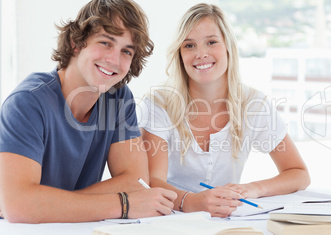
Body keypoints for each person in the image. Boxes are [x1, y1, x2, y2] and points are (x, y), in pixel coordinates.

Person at [0, 0, 177, 223]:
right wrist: (124, 204)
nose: (114, 60)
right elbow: (19, 207)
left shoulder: (118, 98)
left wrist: (45, 205)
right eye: (105, 42)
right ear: (76, 43)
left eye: (126, 51)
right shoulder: (27, 103)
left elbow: (135, 181)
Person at [139, 3, 310, 218]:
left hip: (225, 221)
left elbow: (299, 174)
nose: (201, 54)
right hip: (168, 217)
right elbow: (153, 181)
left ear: (228, 46)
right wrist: (191, 201)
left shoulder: (254, 104)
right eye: (189, 45)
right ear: (180, 55)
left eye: (211, 42)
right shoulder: (158, 103)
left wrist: (254, 188)